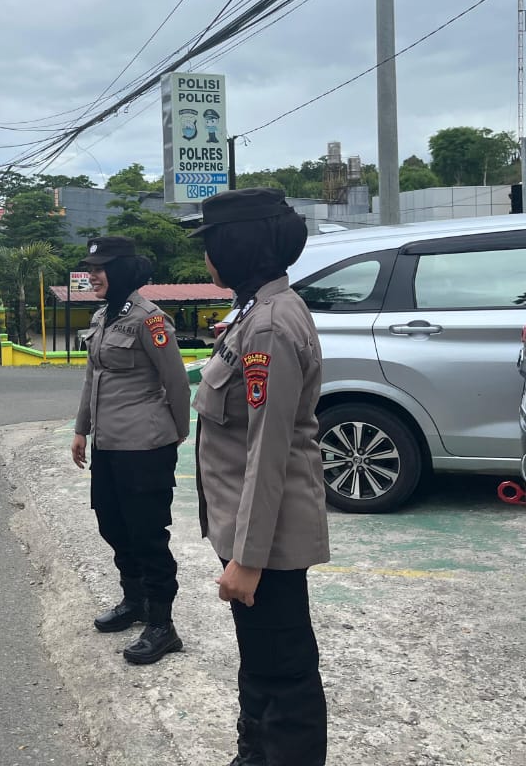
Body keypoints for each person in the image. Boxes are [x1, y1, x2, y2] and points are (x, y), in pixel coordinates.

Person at [189, 188, 330, 766]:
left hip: (266, 541)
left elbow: (268, 451)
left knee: (284, 672)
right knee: (261, 661)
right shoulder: (256, 310)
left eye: (211, 244)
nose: (206, 257)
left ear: (236, 247)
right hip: (250, 529)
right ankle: (254, 755)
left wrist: (247, 560)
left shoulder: (268, 326)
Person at [71, 236, 192, 665]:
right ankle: (134, 601)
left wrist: (177, 432)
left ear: (122, 269)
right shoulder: (103, 316)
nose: (92, 275)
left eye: (100, 268)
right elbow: (93, 377)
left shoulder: (150, 319)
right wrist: (81, 429)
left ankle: (162, 624)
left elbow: (176, 381)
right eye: (91, 268)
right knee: (112, 525)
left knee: (147, 535)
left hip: (145, 446)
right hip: (108, 444)